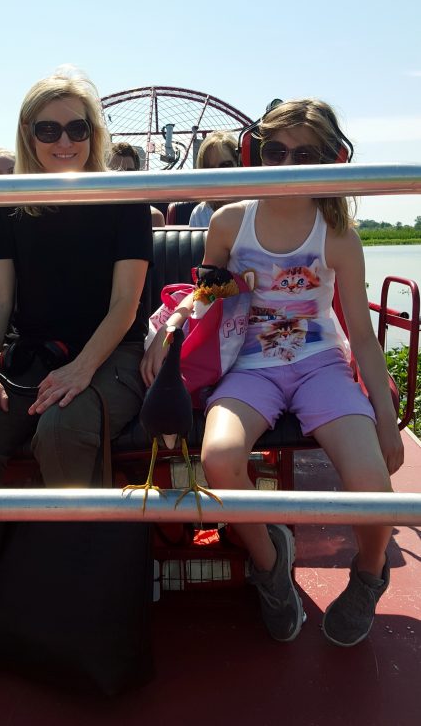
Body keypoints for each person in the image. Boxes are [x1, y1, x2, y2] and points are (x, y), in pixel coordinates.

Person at [142, 99, 403, 647]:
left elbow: (360, 333)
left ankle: (370, 572)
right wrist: (171, 326)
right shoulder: (231, 222)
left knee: (371, 480)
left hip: (320, 365)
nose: (287, 162)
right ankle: (270, 566)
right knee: (220, 457)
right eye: (274, 150)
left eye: (304, 153)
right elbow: (206, 295)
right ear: (253, 155)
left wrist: (385, 416)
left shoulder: (338, 238)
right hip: (249, 364)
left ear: (330, 161)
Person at [0, 70, 153, 679]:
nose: (64, 141)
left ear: (94, 133)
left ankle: (71, 602)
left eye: (77, 128)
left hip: (108, 354)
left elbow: (124, 306)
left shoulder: (124, 199)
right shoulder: (13, 204)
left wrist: (83, 369)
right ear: (28, 135)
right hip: (31, 353)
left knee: (62, 429)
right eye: (48, 129)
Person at [188, 131, 239, 227]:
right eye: (209, 169)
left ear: (239, 163)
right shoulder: (200, 215)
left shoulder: (257, 209)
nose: (217, 175)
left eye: (225, 166)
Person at [108, 142, 165, 227]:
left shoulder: (154, 217)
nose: (123, 179)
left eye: (129, 172)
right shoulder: (94, 214)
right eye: (116, 172)